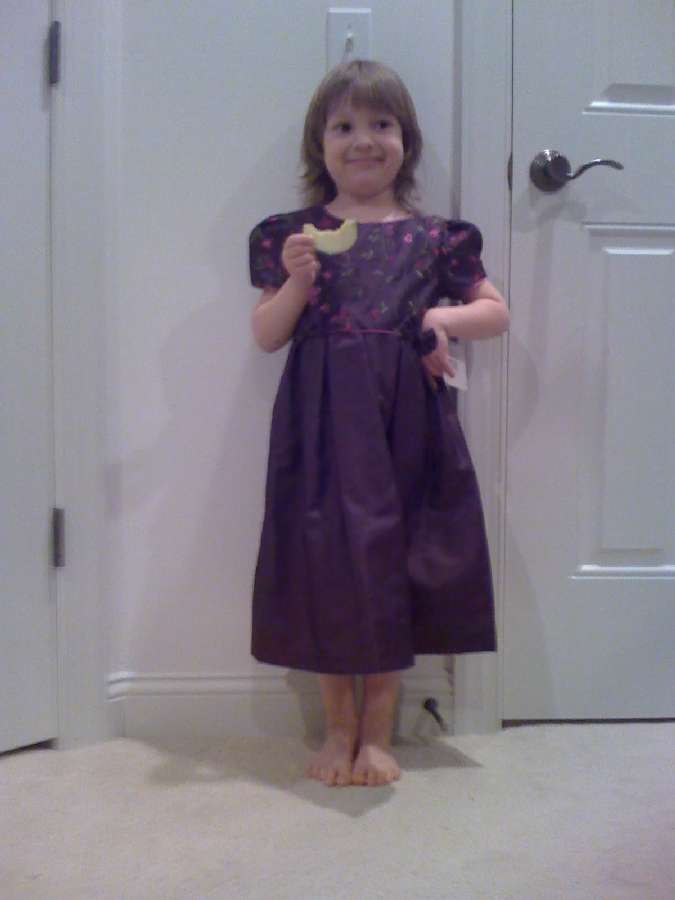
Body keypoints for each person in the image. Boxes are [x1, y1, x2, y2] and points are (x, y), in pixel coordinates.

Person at [248, 60, 509, 788]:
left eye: (380, 124)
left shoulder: (436, 238)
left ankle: (379, 727)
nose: (362, 140)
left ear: (406, 140)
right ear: (319, 144)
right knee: (327, 559)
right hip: (322, 422)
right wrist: (298, 280)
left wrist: (440, 318)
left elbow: (495, 312)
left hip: (406, 422)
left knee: (398, 553)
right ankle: (338, 727)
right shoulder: (291, 235)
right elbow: (266, 334)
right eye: (343, 126)